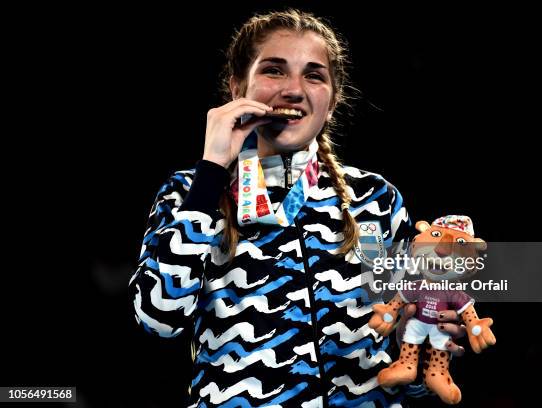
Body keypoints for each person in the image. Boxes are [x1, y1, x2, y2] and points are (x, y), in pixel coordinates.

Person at [129, 9, 465, 407]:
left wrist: (421, 341)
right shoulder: (190, 191)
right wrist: (212, 171)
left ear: (333, 98)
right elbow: (158, 319)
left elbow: (406, 368)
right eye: (274, 70)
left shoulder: (375, 198)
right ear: (238, 87)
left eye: (313, 74)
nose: (293, 89)